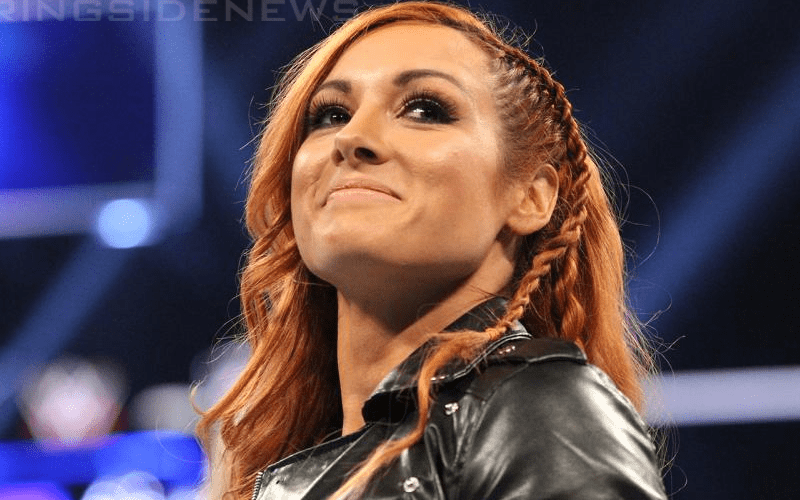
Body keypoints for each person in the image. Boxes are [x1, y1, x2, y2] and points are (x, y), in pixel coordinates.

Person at [197, 2, 668, 499]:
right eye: (331, 115)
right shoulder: (277, 462)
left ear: (530, 197)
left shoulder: (543, 410)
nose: (351, 137)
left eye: (424, 110)